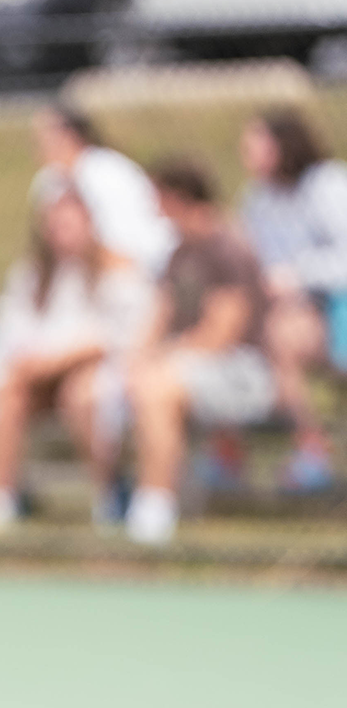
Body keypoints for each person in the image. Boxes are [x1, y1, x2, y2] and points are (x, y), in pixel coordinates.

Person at [0, 186, 151, 533]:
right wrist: (39, 363)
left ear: (90, 224)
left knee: (81, 394)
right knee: (9, 395)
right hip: (39, 375)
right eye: (54, 226)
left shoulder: (117, 271)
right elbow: (13, 333)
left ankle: (111, 493)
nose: (61, 234)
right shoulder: (33, 277)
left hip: (98, 374)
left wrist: (61, 359)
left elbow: (113, 339)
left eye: (69, 224)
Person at [124, 157, 277, 547]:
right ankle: (123, 498)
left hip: (242, 372)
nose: (151, 207)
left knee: (158, 387)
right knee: (131, 383)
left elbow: (223, 332)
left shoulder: (228, 247)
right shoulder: (178, 253)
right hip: (189, 366)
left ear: (176, 198)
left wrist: (164, 358)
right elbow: (161, 314)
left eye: (156, 197)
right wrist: (137, 358)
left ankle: (154, 508)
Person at [235, 108, 341, 492]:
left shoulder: (327, 186)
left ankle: (312, 447)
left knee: (281, 335)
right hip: (281, 311)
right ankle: (226, 450)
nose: (246, 153)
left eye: (254, 144)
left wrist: (297, 276)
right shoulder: (257, 198)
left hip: (333, 310)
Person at [30, 105, 175, 276]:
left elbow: (124, 245)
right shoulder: (48, 182)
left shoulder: (108, 173)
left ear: (70, 135)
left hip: (144, 266)